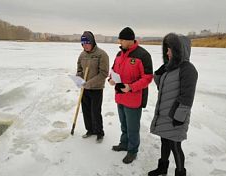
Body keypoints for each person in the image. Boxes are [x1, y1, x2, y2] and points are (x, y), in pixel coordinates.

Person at [148, 33, 198, 176]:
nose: (167, 52)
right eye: (167, 49)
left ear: (179, 50)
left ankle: (180, 172)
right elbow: (161, 87)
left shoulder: (188, 69)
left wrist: (179, 117)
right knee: (165, 141)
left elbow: (187, 96)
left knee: (175, 145)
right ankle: (163, 167)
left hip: (176, 117)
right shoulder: (170, 67)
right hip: (164, 114)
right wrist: (159, 72)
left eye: (170, 49)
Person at [108, 27, 153, 163]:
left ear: (128, 40)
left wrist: (131, 87)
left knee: (133, 127)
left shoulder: (143, 55)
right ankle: (124, 143)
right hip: (120, 96)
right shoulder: (119, 54)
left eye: (121, 40)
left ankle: (132, 150)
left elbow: (148, 78)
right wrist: (110, 79)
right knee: (124, 124)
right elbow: (113, 70)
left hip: (133, 98)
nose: (119, 42)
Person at [76, 31, 109, 142]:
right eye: (83, 44)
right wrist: (78, 78)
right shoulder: (82, 55)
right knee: (86, 111)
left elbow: (103, 73)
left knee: (95, 111)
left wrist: (89, 83)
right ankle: (89, 130)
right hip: (84, 88)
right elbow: (79, 69)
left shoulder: (101, 54)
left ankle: (99, 132)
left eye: (87, 43)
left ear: (92, 42)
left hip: (96, 88)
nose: (85, 46)